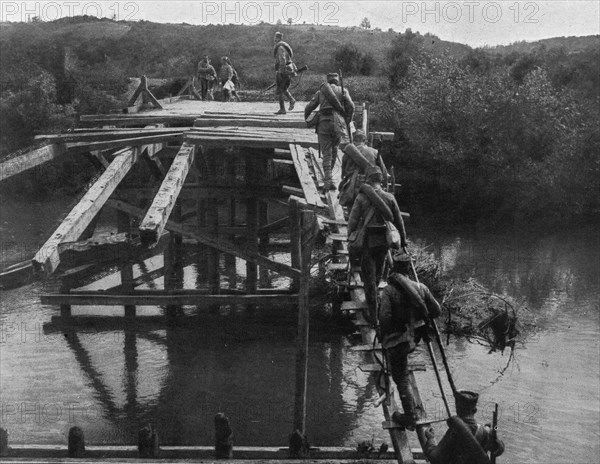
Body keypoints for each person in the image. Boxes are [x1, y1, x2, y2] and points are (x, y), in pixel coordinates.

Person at [379, 250, 441, 430]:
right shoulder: (420, 288)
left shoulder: (389, 291)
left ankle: (410, 418)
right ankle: (412, 411)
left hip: (397, 340)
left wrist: (384, 335)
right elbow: (436, 311)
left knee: (401, 378)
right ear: (408, 268)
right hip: (413, 339)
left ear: (394, 268)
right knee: (402, 370)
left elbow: (384, 318)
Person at [347, 166, 407, 325]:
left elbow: (353, 221)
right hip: (384, 244)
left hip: (367, 243)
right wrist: (404, 240)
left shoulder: (361, 197)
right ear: (381, 181)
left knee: (368, 278)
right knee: (378, 275)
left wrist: (350, 236)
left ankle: (373, 316)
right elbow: (399, 221)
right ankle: (377, 308)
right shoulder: (389, 197)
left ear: (368, 179)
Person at [304, 72, 355, 190]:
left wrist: (306, 119)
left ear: (328, 80)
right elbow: (351, 106)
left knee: (326, 151)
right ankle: (329, 177)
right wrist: (348, 120)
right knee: (334, 149)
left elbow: (309, 107)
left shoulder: (321, 91)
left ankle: (328, 180)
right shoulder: (343, 91)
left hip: (323, 123)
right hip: (338, 123)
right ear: (337, 81)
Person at [424, 390, 505, 464]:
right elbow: (498, 450)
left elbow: (435, 458)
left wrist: (430, 439)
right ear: (475, 410)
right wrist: (498, 443)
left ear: (457, 409)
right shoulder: (484, 431)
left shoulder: (454, 432)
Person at [339, 129, 388, 207]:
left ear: (354, 140)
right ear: (364, 140)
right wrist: (385, 186)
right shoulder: (375, 152)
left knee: (351, 209)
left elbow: (343, 172)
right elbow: (384, 172)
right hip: (372, 186)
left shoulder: (348, 151)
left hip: (354, 186)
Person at [273, 31, 296, 114]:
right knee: (283, 88)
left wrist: (280, 71)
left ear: (278, 39)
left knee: (280, 89)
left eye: (276, 38)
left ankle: (282, 109)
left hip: (284, 70)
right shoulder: (284, 46)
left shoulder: (280, 47)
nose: (274, 40)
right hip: (289, 69)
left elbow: (282, 60)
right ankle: (292, 100)